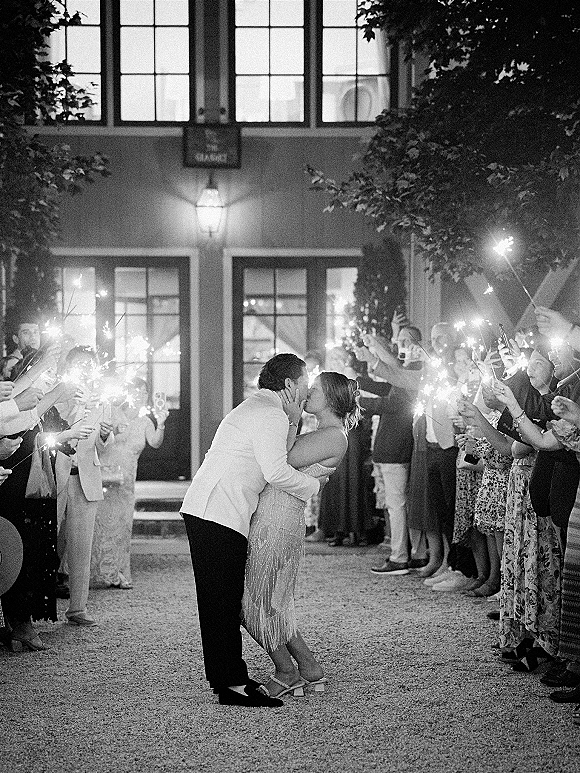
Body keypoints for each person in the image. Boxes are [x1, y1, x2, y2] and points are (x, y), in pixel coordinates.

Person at [180, 353, 324, 708]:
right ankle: (232, 685)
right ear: (289, 384)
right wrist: (313, 487)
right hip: (218, 512)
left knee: (220, 602)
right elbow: (276, 471)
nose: (306, 393)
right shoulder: (270, 413)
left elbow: (278, 455)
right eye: (304, 385)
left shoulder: (264, 409)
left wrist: (292, 420)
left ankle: (227, 678)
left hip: (213, 508)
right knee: (222, 604)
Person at [243, 371, 359, 698]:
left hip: (280, 520)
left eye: (315, 389)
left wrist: (291, 418)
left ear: (333, 399)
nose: (306, 393)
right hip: (271, 515)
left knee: (254, 601)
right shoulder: (321, 430)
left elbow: (284, 459)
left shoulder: (335, 435)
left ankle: (287, 671)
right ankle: (308, 669)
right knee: (269, 600)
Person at [91, 378, 168, 589]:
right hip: (104, 476)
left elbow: (155, 442)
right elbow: (98, 441)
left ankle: (117, 572)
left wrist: (161, 423)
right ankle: (89, 573)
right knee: (98, 525)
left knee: (122, 526)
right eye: (136, 391)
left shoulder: (145, 421)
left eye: (144, 392)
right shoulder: (113, 413)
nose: (140, 396)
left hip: (126, 481)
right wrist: (111, 432)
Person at [57, 347, 114, 627]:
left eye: (88, 366)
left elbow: (104, 445)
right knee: (48, 543)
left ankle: (78, 608)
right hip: (56, 475)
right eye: (78, 365)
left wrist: (105, 434)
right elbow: (53, 434)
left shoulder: (101, 400)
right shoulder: (56, 395)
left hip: (86, 477)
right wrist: (77, 407)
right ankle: (32, 607)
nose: (84, 371)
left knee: (82, 546)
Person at [317, 347, 372, 546]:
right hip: (334, 429)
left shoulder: (350, 377)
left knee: (353, 479)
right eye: (331, 358)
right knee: (336, 478)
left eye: (337, 358)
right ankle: (338, 528)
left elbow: (359, 404)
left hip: (350, 431)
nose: (334, 361)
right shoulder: (328, 379)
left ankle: (357, 530)